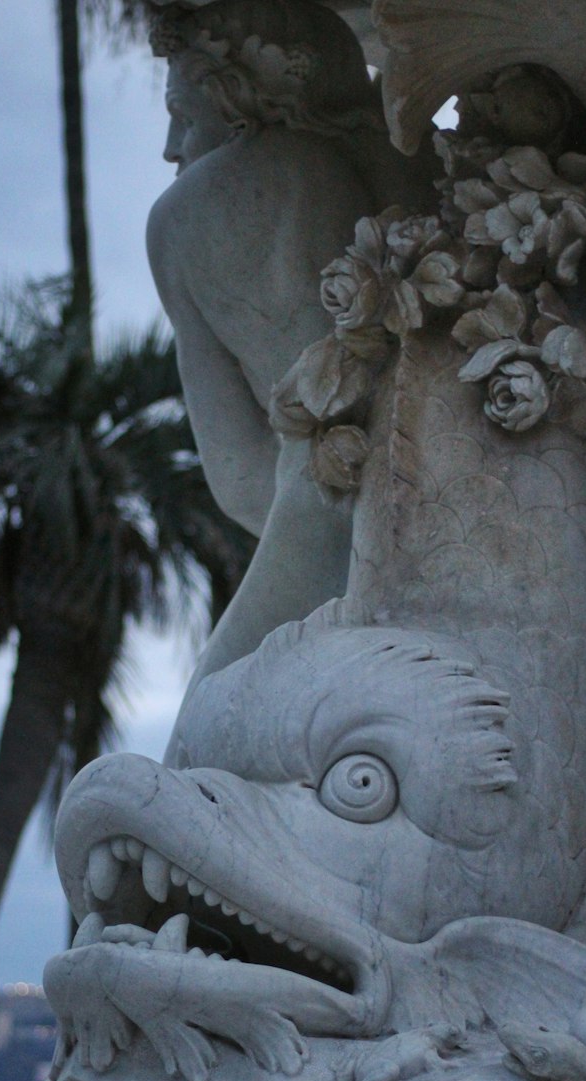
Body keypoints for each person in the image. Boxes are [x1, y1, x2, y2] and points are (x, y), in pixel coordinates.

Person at [145, 0, 436, 733]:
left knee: (203, 749)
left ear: (243, 102)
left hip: (325, 524)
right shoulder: (426, 162)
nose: (171, 146)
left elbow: (239, 474)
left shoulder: (192, 213)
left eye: (182, 113)